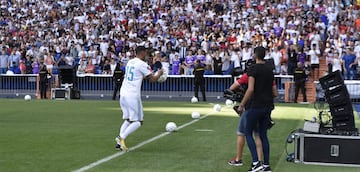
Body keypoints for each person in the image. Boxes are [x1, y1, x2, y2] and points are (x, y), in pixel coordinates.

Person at [115, 46, 164, 151]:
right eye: (145, 53)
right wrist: (160, 73)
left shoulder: (130, 62)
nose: (146, 55)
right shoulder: (142, 64)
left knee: (128, 119)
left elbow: (140, 76)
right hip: (132, 95)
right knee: (138, 121)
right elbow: (152, 79)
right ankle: (121, 137)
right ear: (142, 53)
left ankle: (119, 143)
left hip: (123, 93)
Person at [238, 46, 276, 172]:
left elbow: (250, 89)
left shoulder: (253, 69)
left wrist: (242, 104)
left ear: (255, 55)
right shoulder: (270, 70)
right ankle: (266, 165)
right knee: (263, 135)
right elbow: (274, 92)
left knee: (248, 133)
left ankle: (256, 162)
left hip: (256, 106)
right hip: (268, 106)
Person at [227, 59, 263, 167]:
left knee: (242, 132)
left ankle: (238, 159)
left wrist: (241, 98)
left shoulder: (247, 76)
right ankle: (260, 161)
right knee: (258, 135)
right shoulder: (264, 76)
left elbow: (232, 88)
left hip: (249, 107)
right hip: (262, 106)